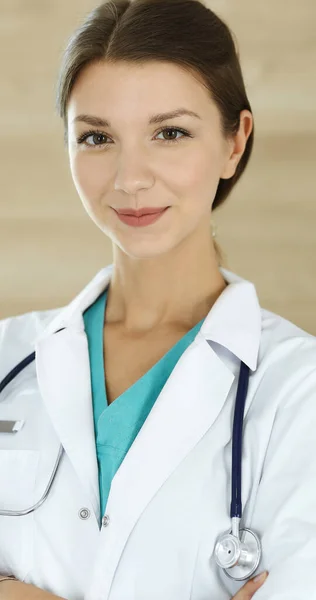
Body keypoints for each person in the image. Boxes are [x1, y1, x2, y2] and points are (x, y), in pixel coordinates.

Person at [0, 0, 315, 598]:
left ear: (234, 141)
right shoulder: (7, 356)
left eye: (170, 133)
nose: (130, 177)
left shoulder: (298, 390)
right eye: (97, 137)